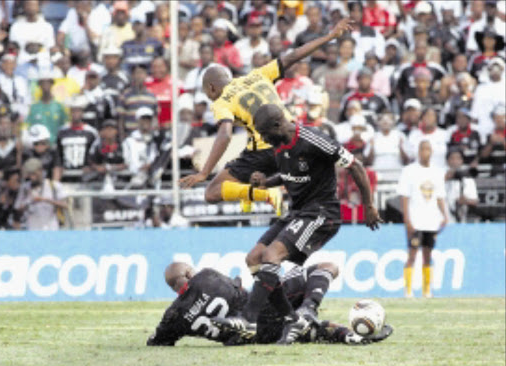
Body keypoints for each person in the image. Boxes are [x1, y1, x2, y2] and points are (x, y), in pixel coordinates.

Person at [213, 103, 382, 343]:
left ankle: (248, 319)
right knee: (254, 258)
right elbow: (290, 174)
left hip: (322, 213)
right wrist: (266, 182)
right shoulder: (279, 145)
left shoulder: (313, 139)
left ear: (277, 125)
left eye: (263, 132)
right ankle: (292, 319)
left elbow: (355, 165)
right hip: (297, 212)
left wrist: (369, 205)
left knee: (272, 254)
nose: (262, 138)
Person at [179, 18, 354, 217]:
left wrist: (204, 172)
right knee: (248, 152)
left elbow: (225, 134)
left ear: (211, 88)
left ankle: (265, 194)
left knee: (211, 192)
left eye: (207, 93)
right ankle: (252, 193)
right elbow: (293, 56)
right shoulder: (258, 75)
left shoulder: (221, 101)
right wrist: (330, 36)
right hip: (292, 138)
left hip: (264, 150)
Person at [147, 262, 392, 346]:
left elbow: (158, 342)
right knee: (327, 268)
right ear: (190, 274)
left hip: (249, 339)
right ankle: (309, 309)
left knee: (312, 331)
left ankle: (350, 335)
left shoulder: (173, 316)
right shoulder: (207, 276)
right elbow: (236, 288)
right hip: (258, 314)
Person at [397, 140, 448, 298]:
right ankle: (408, 290)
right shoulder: (409, 171)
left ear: (431, 151)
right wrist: (407, 219)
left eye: (428, 149)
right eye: (423, 149)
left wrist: (445, 215)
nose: (425, 152)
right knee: (412, 254)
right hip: (415, 219)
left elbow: (439, 197)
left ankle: (427, 291)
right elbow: (404, 197)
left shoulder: (438, 172)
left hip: (431, 220)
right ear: (418, 151)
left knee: (428, 254)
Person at [14, 158, 67, 231]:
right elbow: (17, 208)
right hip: (32, 228)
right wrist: (29, 201)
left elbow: (65, 205)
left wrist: (45, 200)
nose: (32, 177)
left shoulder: (54, 185)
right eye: (30, 174)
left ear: (41, 171)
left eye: (34, 173)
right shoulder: (25, 188)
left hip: (52, 227)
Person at [55, 96, 98, 181]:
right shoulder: (62, 132)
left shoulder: (91, 132)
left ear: (82, 112)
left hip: (85, 175)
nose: (75, 114)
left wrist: (90, 165)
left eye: (78, 110)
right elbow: (58, 153)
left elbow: (95, 152)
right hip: (66, 175)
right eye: (73, 111)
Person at [26, 70, 68, 145]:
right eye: (43, 83)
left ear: (52, 84)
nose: (45, 85)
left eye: (48, 83)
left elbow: (64, 127)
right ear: (39, 85)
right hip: (39, 146)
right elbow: (30, 127)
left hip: (56, 145)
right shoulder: (34, 107)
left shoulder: (59, 106)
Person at [117, 64, 158, 137]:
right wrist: (122, 136)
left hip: (147, 136)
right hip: (130, 136)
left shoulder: (152, 96)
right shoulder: (125, 95)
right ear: (132, 76)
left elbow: (155, 117)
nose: (139, 76)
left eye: (142, 73)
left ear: (146, 75)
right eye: (137, 73)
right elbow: (121, 119)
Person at [122, 107, 158, 188]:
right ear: (138, 121)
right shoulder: (130, 140)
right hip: (135, 177)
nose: (146, 122)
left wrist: (150, 166)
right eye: (143, 119)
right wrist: (139, 168)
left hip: (152, 178)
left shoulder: (155, 139)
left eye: (148, 119)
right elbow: (128, 160)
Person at [471, 57, 506, 142]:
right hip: (485, 127)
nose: (495, 71)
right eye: (493, 68)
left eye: (498, 68)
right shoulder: (481, 88)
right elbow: (474, 114)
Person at [444, 148, 478, 223]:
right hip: (443, 220)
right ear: (447, 161)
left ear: (462, 161)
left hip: (460, 220)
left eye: (458, 158)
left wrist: (465, 200)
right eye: (452, 158)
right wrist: (446, 178)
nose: (455, 161)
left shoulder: (468, 178)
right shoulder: (441, 176)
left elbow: (475, 201)